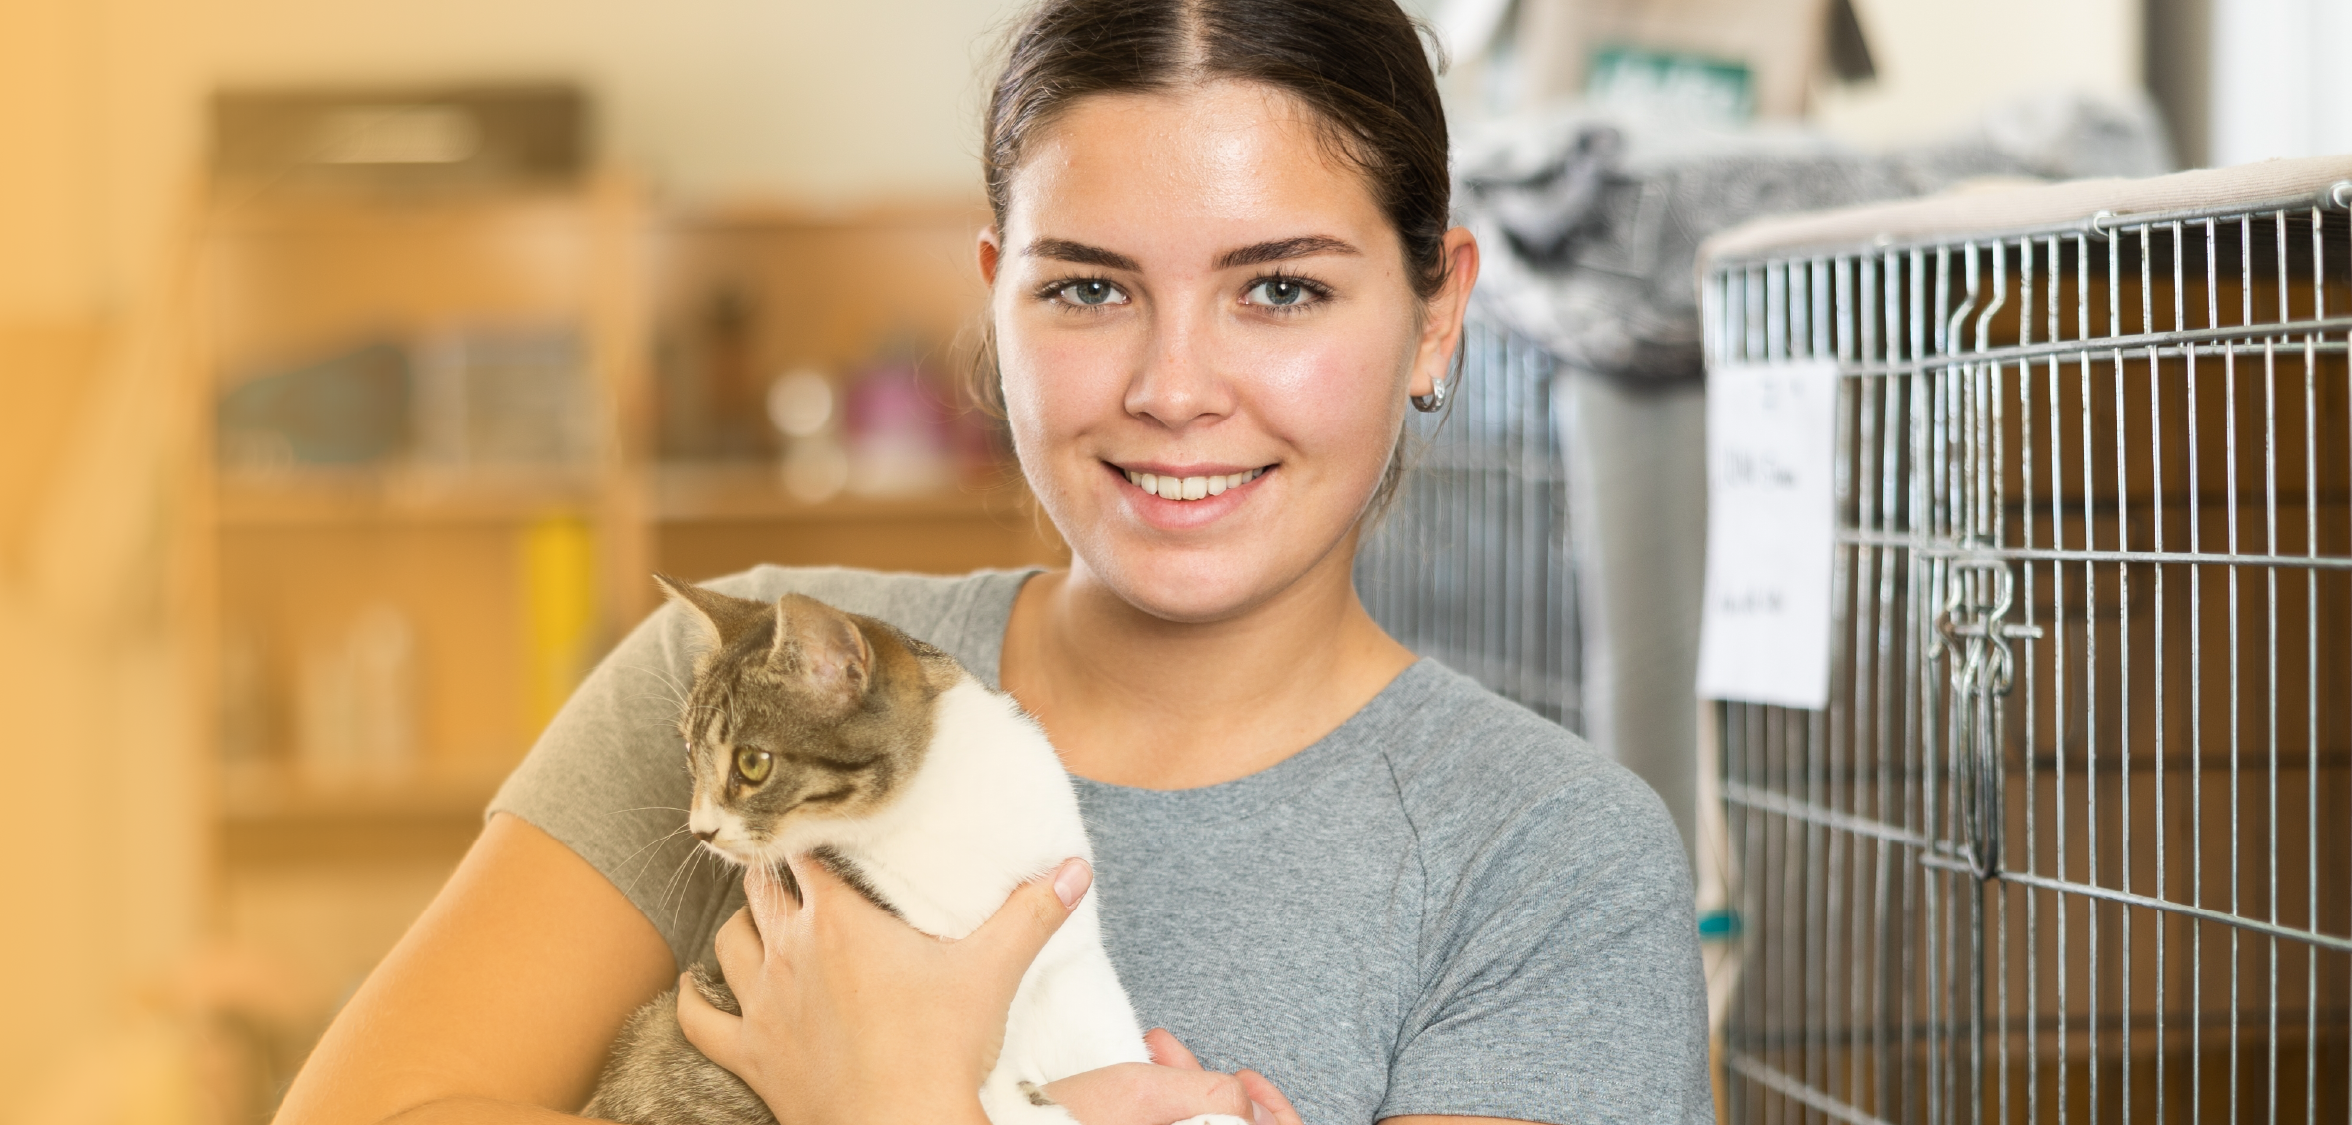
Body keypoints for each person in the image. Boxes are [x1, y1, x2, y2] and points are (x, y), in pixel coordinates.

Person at [271, 1, 1709, 1123]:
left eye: (1280, 290)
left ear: (1437, 311)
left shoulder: (1550, 867)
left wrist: (895, 1108)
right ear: (994, 304)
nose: (1174, 387)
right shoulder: (751, 680)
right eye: (1089, 288)